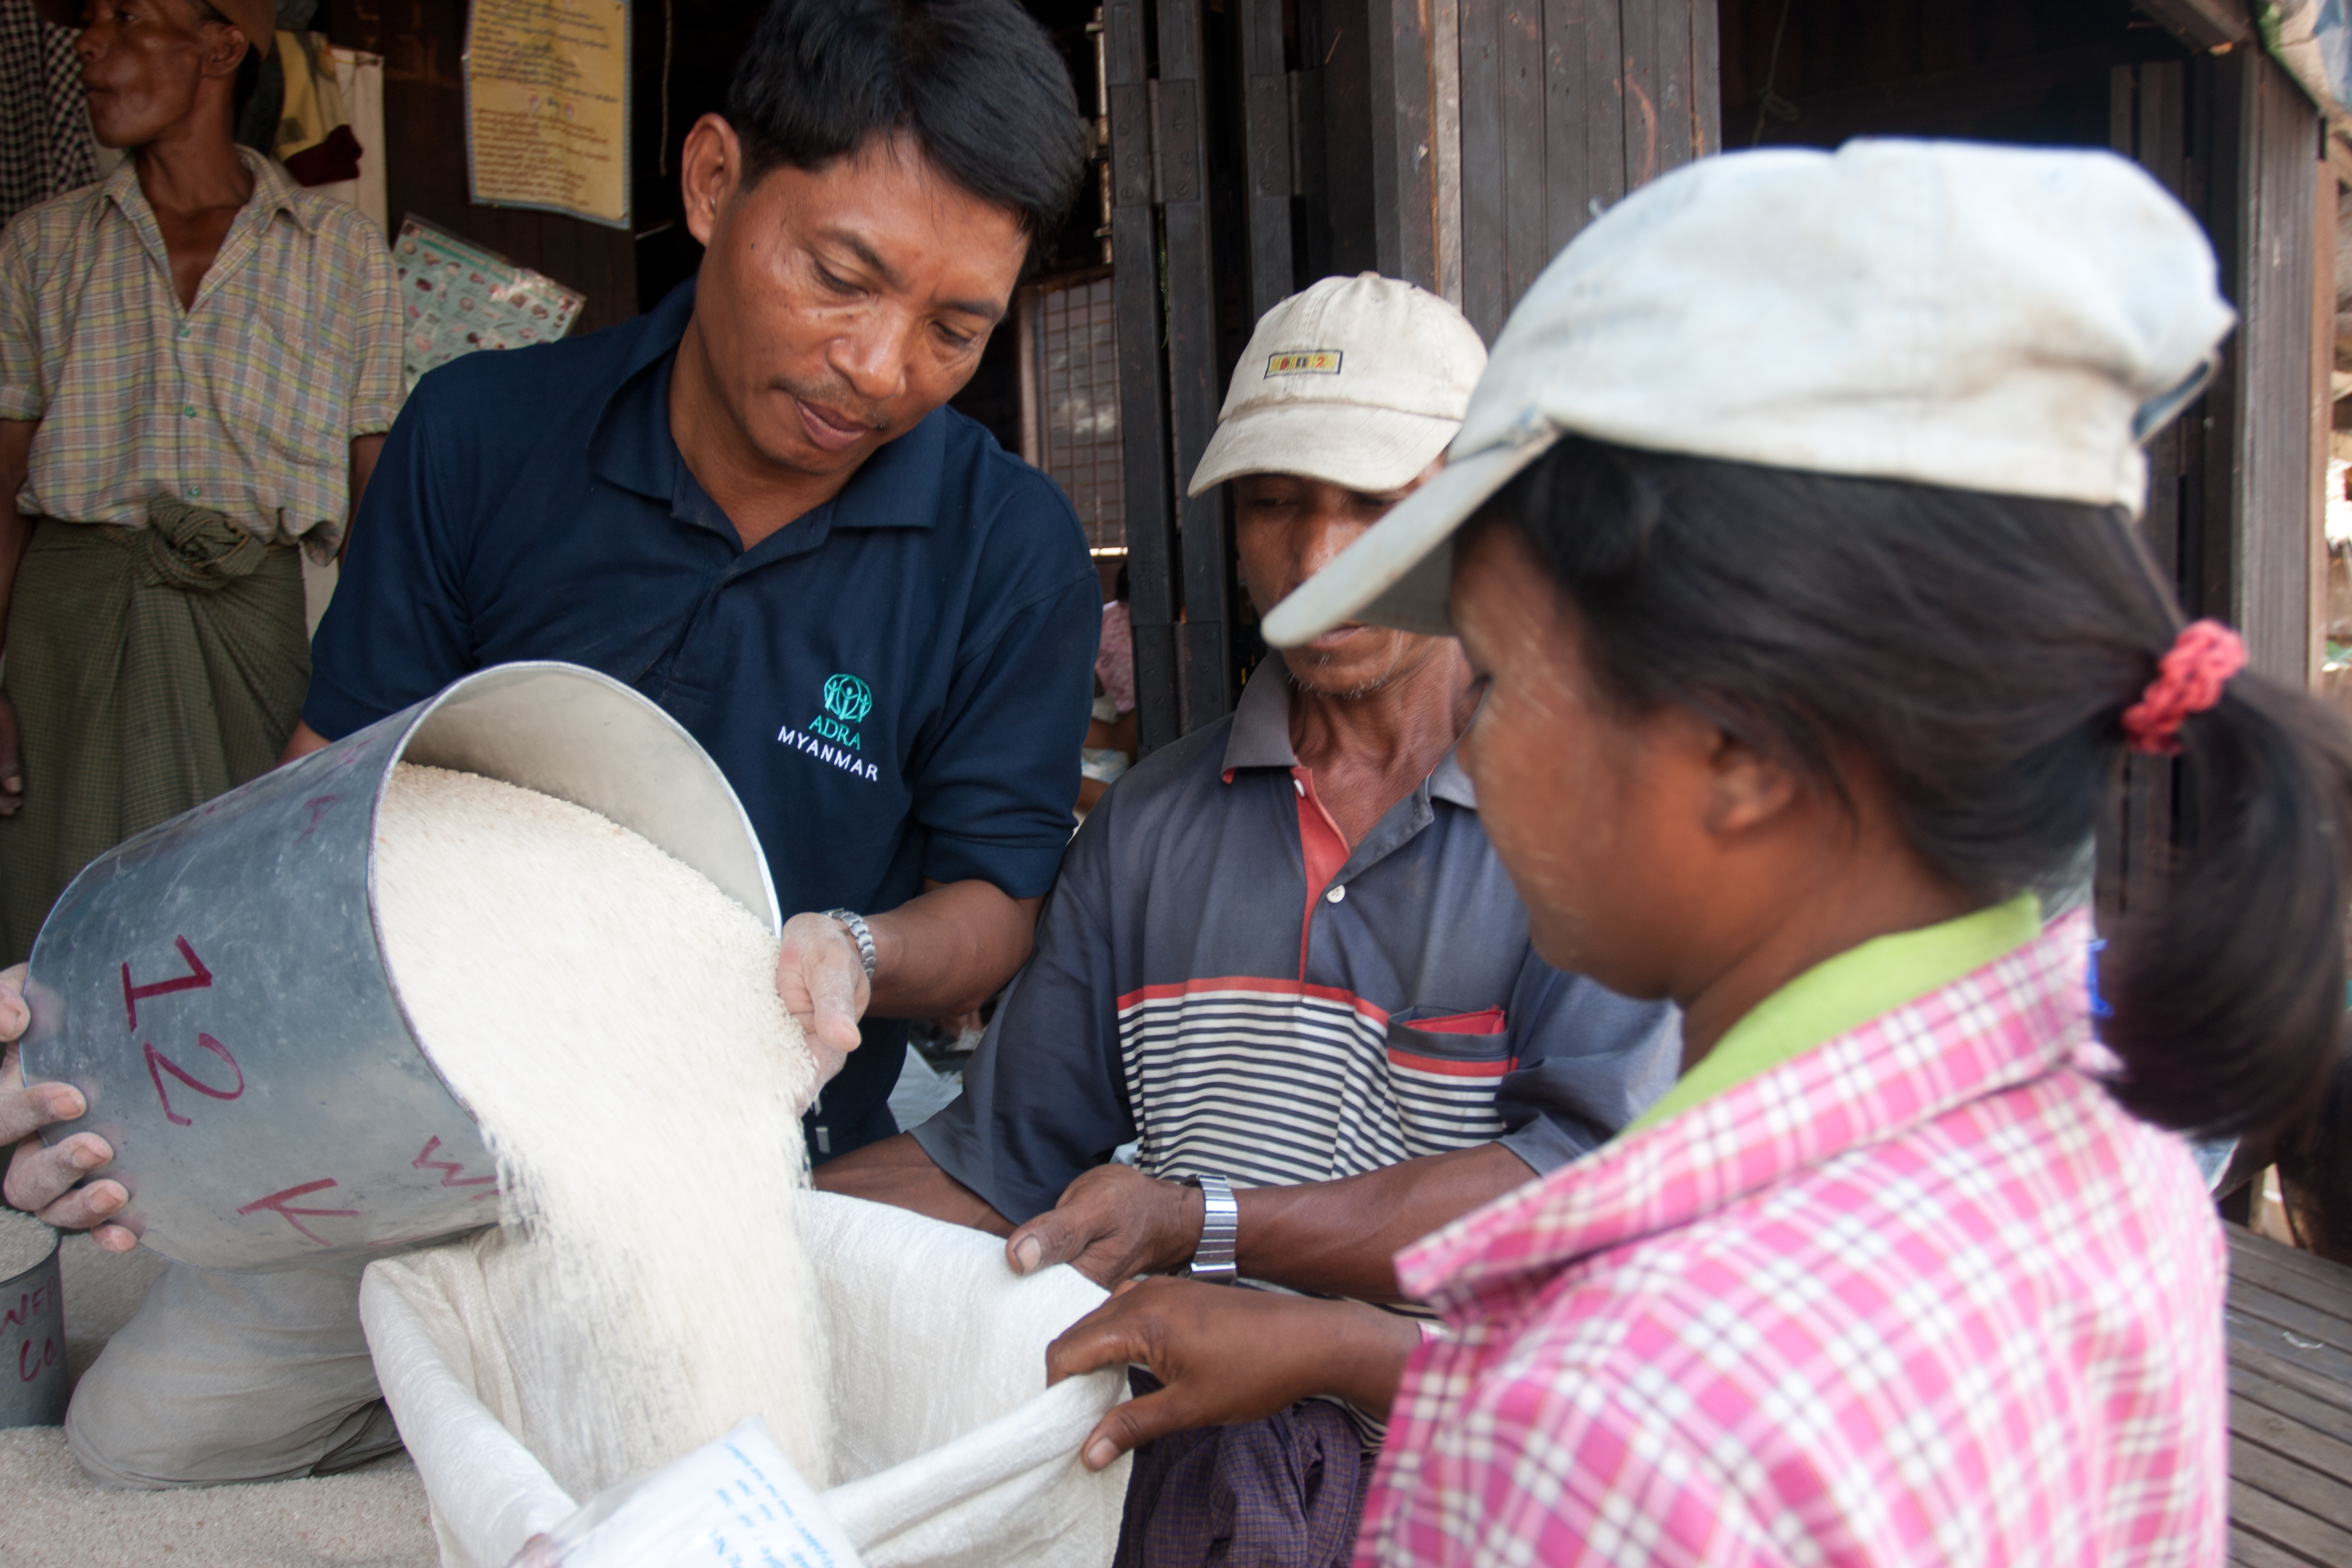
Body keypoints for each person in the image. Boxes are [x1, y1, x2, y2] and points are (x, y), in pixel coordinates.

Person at [1040, 141, 2347, 1564]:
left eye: (1508, 678)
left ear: (1738, 745)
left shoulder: (1624, 1408)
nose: (1477, 742)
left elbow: (1632, 1444)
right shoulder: (2115, 1156)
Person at [2, 0, 1098, 1490]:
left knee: (706, 1471)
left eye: (954, 330)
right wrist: (138, 1058)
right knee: (140, 1445)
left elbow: (993, 905)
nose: (877, 363)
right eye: (841, 278)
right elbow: (316, 795)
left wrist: (855, 949)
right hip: (408, 1134)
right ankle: (458, 1377)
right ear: (713, 182)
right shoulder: (481, 436)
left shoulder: (1006, 546)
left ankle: (482, 1392)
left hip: (729, 1167)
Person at [817, 273, 1678, 1561]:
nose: (1321, 560)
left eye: (1377, 503)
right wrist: (719, 1215)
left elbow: (1576, 1209)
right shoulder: (1152, 829)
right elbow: (999, 1171)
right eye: (1275, 504)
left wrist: (1201, 1221)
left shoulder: (1602, 821)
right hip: (1208, 1493)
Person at [0, 0, 400, 966]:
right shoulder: (40, 247)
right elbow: (2, 486)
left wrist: (360, 718)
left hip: (250, 642)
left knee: (234, 939)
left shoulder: (340, 254)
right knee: (55, 942)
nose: (90, 44)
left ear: (221, 47)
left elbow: (378, 514)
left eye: (127, 17)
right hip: (66, 639)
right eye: (90, 20)